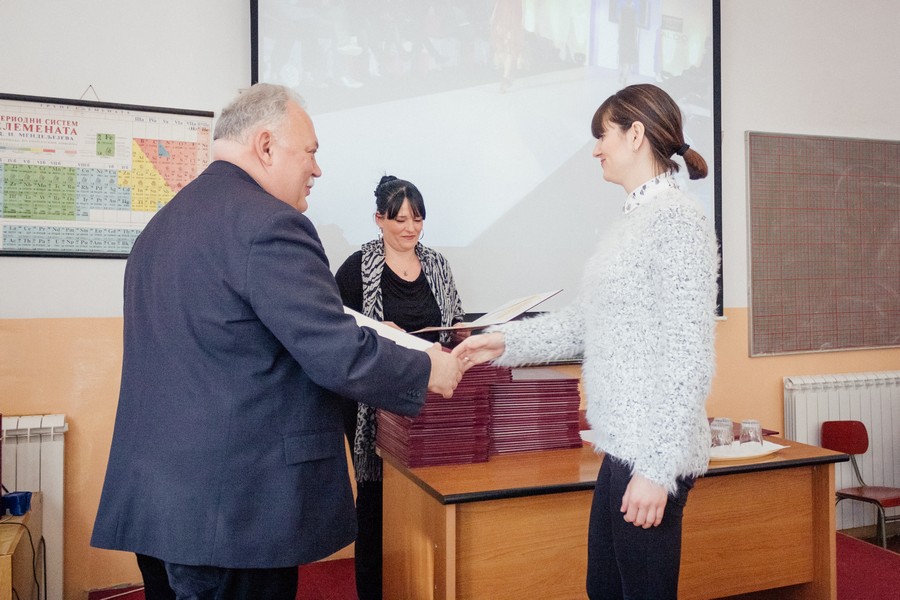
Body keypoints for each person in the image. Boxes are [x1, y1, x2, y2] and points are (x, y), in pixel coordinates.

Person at [90, 83, 464, 600]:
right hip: (233, 513)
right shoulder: (270, 224)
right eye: (310, 152)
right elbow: (334, 350)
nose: (317, 169)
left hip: (159, 504)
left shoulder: (162, 224)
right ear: (266, 146)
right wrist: (430, 370)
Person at [452, 83, 718, 600]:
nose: (596, 149)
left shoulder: (677, 220)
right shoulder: (637, 217)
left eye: (603, 135)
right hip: (621, 446)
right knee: (604, 589)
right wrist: (501, 342)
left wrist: (657, 470)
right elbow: (586, 324)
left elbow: (688, 356)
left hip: (650, 454)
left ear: (635, 135)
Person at [334, 174, 465, 600]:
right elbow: (336, 334)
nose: (411, 228)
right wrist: (378, 332)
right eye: (400, 220)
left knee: (424, 496)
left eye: (418, 219)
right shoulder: (357, 268)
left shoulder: (438, 264)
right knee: (375, 503)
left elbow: (453, 318)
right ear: (379, 219)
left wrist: (463, 332)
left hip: (429, 399)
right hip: (374, 404)